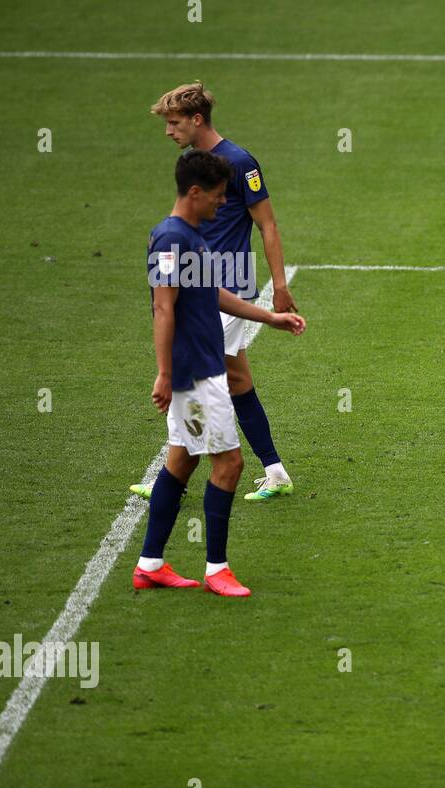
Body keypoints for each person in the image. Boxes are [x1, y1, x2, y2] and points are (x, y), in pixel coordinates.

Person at [133, 151, 305, 597]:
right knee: (229, 464)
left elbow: (214, 294)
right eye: (215, 196)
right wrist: (166, 373)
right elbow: (164, 308)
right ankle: (216, 569)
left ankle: (150, 563)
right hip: (195, 373)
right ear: (194, 192)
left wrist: (270, 318)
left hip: (200, 367)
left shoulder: (188, 234)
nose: (222, 204)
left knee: (183, 461)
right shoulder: (171, 239)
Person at [134, 81, 301, 499]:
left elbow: (268, 224)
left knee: (194, 374)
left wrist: (278, 287)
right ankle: (275, 470)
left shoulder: (240, 162)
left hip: (229, 287)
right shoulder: (195, 162)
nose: (168, 131)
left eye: (174, 123)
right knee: (236, 377)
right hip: (201, 284)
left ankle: (173, 476)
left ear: (196, 120)